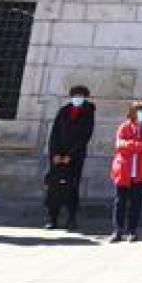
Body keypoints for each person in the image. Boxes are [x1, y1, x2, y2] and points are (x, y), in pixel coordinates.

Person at [45, 85, 96, 230]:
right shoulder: (63, 111)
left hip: (75, 157)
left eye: (81, 95)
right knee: (54, 188)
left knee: (71, 187)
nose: (77, 98)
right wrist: (55, 154)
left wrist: (70, 155)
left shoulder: (88, 112)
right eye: (75, 95)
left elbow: (85, 136)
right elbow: (54, 134)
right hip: (57, 156)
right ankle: (52, 218)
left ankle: (71, 218)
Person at [109, 98, 142, 243]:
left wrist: (129, 144)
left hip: (140, 170)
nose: (141, 113)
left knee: (136, 202)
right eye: (139, 110)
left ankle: (132, 230)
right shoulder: (124, 126)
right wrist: (137, 144)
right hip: (124, 169)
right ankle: (117, 230)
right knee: (120, 201)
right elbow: (118, 145)